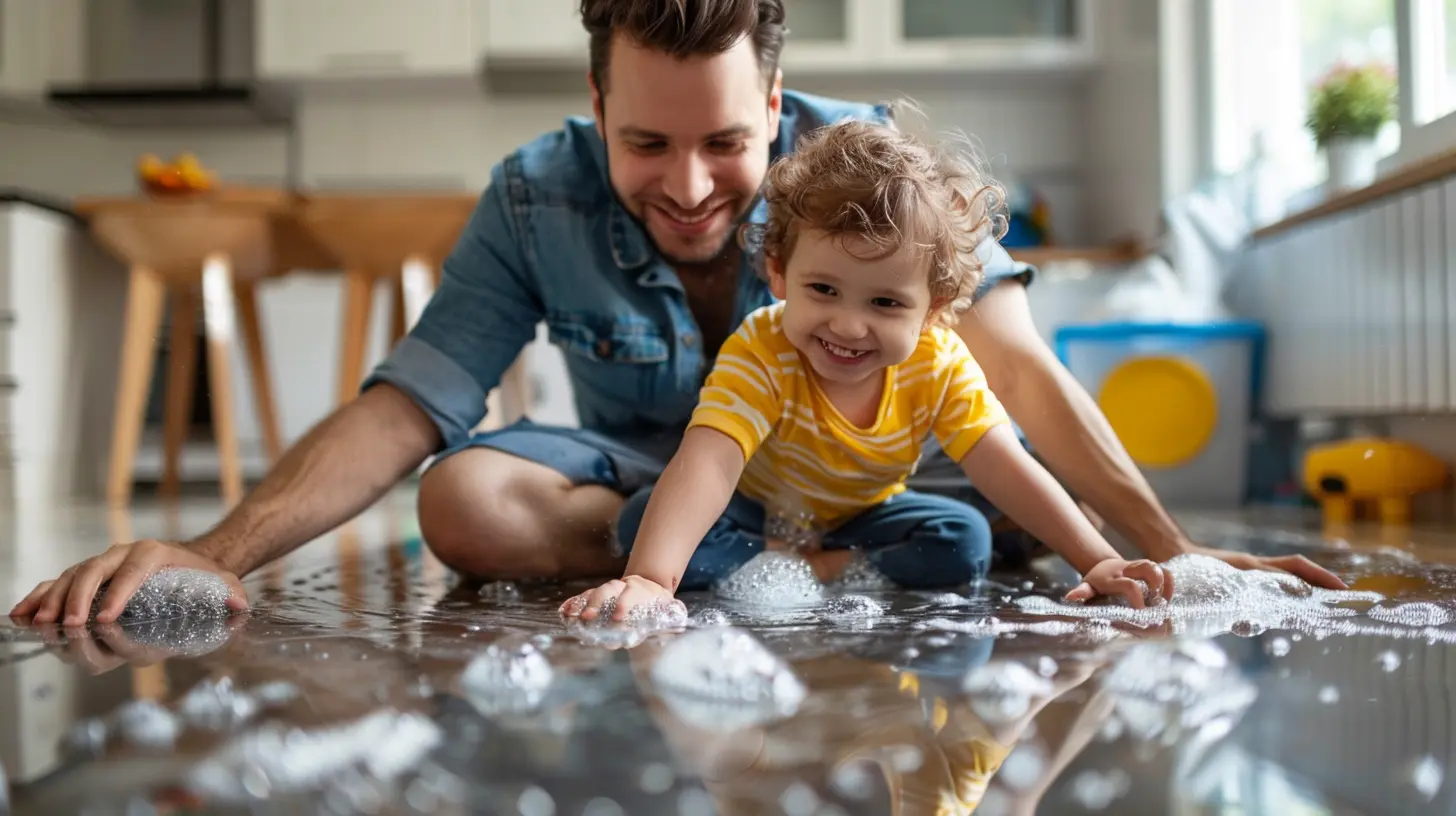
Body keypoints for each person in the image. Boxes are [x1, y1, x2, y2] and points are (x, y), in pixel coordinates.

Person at [9, 0, 1344, 629]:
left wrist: (1177, 554)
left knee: (991, 496)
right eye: (645, 142)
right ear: (596, 107)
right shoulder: (535, 196)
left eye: (724, 142)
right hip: (661, 481)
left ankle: (802, 557)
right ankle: (712, 559)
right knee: (460, 502)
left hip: (871, 473)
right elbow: (408, 404)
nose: (691, 187)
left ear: (777, 104)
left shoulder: (873, 176)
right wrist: (216, 548)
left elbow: (1020, 386)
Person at [562, 119, 1175, 621]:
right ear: (778, 273)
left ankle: (813, 566)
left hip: (867, 514)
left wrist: (1097, 559)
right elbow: (711, 459)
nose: (849, 326)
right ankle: (800, 562)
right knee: (645, 520)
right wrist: (649, 579)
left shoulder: (939, 362)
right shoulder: (763, 347)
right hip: (759, 510)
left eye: (885, 303)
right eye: (823, 289)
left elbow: (1003, 463)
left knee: (964, 540)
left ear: (933, 308)